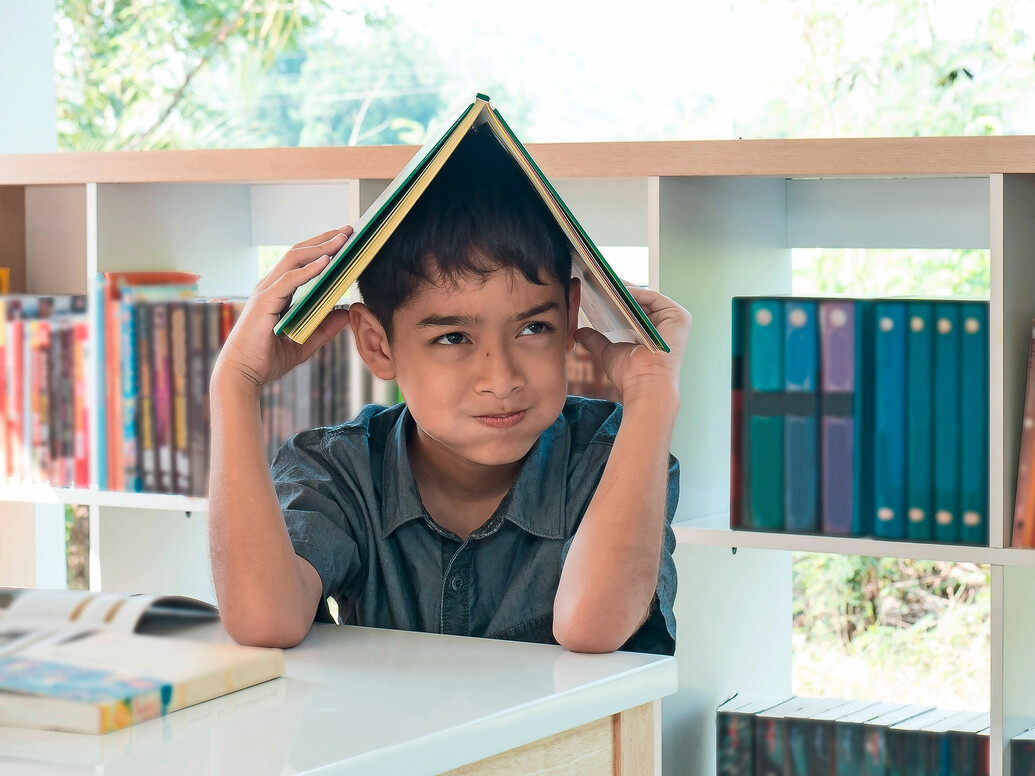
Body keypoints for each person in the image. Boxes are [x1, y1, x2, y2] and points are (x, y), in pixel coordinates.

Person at [207, 127, 690, 654]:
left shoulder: (613, 455)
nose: (501, 379)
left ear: (571, 317)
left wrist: (651, 394)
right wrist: (235, 384)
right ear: (377, 343)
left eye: (533, 329)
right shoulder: (337, 468)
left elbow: (591, 628)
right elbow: (263, 621)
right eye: (453, 337)